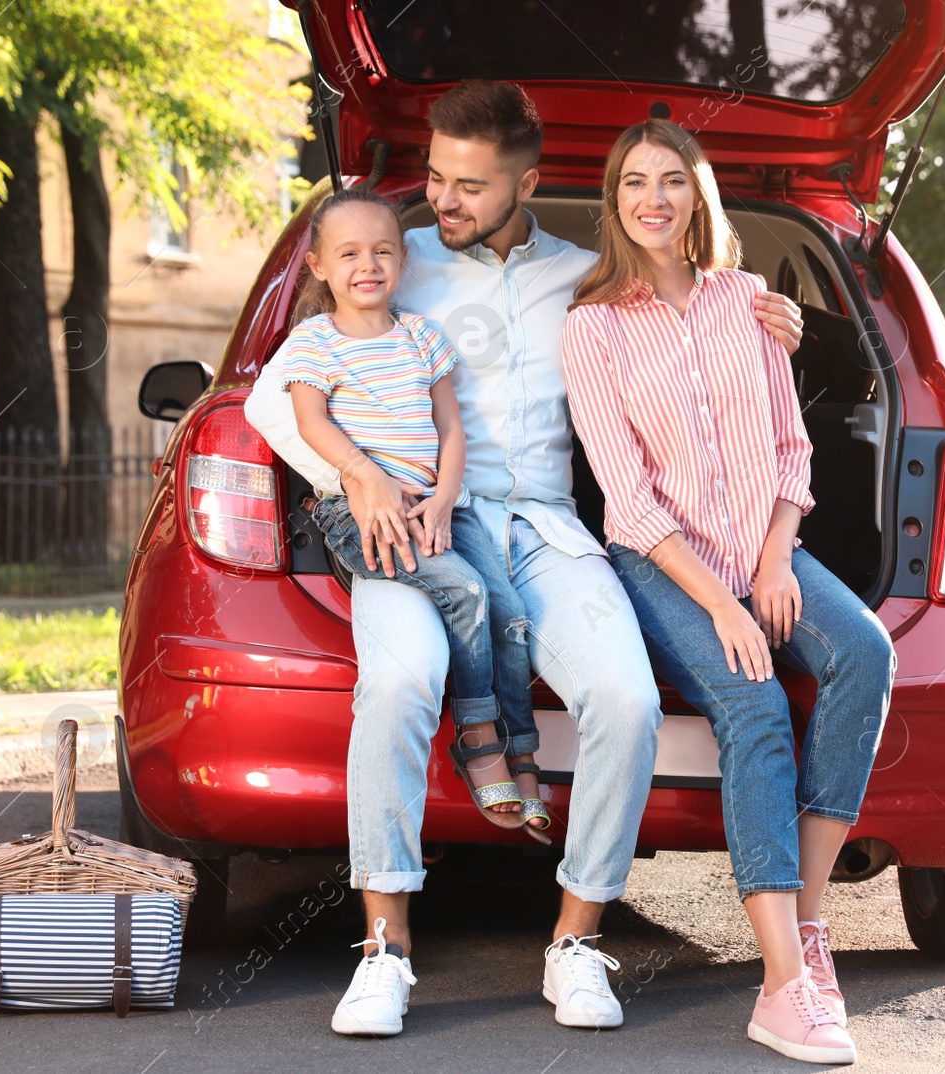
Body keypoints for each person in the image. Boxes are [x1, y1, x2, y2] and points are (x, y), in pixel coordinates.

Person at [307, 80, 805, 1039]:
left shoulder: (585, 278)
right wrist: (358, 477)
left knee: (625, 700)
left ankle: (577, 940)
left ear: (525, 183)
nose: (440, 202)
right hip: (417, 528)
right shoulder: (386, 261)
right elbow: (278, 394)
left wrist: (767, 317)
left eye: (467, 187)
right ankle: (384, 950)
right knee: (402, 684)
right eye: (435, 180)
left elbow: (687, 309)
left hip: (547, 529)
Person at [561, 119, 896, 1066]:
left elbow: (793, 449)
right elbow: (624, 498)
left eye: (673, 180)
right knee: (753, 706)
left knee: (866, 652)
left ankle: (807, 928)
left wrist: (776, 561)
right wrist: (722, 603)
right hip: (663, 562)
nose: (653, 198)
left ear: (697, 197)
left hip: (763, 549)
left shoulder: (751, 302)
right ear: (615, 202)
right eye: (634, 182)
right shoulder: (593, 330)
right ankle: (785, 988)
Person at [277, 186, 555, 864]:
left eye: (381, 251)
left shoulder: (421, 337)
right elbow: (310, 422)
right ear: (318, 266)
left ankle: (525, 757)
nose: (366, 264)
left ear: (402, 260)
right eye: (347, 253)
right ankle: (480, 741)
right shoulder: (315, 342)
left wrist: (443, 497)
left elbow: (450, 429)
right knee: (466, 593)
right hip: (361, 515)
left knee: (512, 611)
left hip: (438, 507)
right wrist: (360, 472)